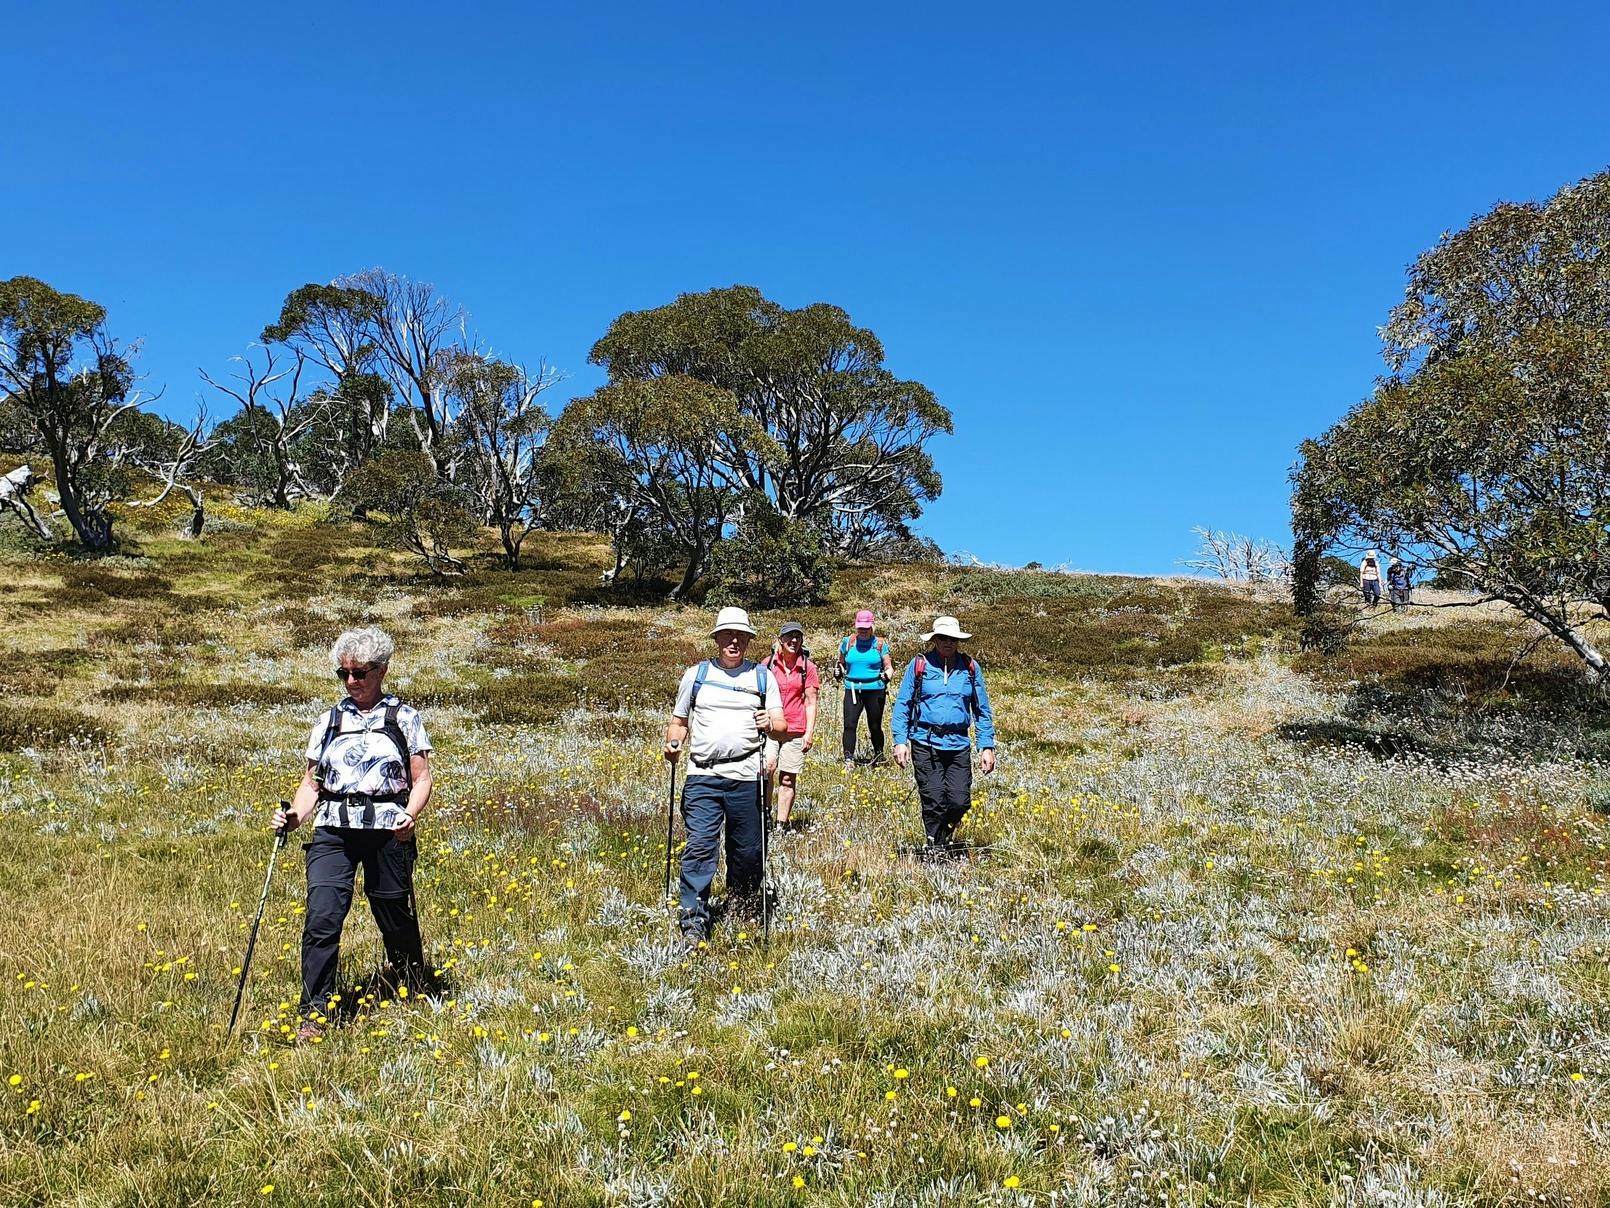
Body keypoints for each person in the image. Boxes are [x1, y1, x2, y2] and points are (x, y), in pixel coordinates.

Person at [273, 627, 432, 1043]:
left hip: (387, 831)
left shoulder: (405, 718)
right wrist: (294, 817)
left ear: (382, 670)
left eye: (360, 672)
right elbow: (311, 783)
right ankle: (314, 1011)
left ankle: (412, 982)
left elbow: (421, 778)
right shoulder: (329, 720)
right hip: (333, 830)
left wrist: (409, 816)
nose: (351, 682)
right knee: (322, 916)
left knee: (393, 912)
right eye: (342, 673)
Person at [664, 606, 784, 949]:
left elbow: (782, 726)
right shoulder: (696, 676)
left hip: (747, 775)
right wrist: (673, 744)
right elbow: (679, 721)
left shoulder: (763, 678)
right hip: (703, 774)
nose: (734, 641)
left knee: (747, 852)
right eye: (727, 635)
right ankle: (693, 921)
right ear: (716, 639)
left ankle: (743, 906)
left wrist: (770, 724)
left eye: (741, 636)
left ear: (748, 640)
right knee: (701, 846)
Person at [891, 616, 996, 853]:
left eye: (952, 638)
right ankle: (935, 849)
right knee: (934, 798)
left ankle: (943, 835)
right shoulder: (919, 665)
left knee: (960, 800)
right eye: (942, 638)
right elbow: (903, 704)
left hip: (958, 743)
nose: (947, 642)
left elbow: (982, 709)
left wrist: (986, 746)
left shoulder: (970, 667)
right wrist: (900, 741)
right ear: (934, 640)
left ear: (958, 640)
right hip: (924, 742)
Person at [762, 621, 820, 831]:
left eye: (798, 637)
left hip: (795, 729)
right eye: (789, 637)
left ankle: (781, 824)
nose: (793, 641)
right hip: (769, 728)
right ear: (780, 640)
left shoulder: (807, 667)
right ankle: (765, 814)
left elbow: (811, 702)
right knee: (767, 768)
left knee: (787, 778)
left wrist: (809, 733)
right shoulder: (767, 665)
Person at [836, 610, 895, 764]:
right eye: (860, 627)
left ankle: (879, 756)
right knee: (849, 725)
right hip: (853, 689)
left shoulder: (880, 644)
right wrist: (838, 671)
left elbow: (889, 667)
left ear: (871, 626)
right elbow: (841, 663)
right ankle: (849, 759)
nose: (862, 631)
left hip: (875, 689)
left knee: (875, 725)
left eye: (866, 627)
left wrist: (887, 675)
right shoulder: (848, 642)